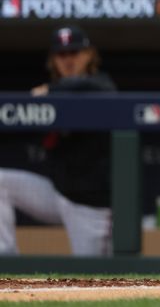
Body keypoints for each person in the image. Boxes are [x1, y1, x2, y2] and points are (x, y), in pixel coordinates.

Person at [0, 25, 114, 256]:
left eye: (74, 53)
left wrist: (51, 89)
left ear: (89, 54)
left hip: (88, 205)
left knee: (93, 279)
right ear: (53, 59)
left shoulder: (99, 84)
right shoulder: (50, 96)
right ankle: (6, 258)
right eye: (62, 55)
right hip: (57, 193)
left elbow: (99, 87)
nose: (68, 60)